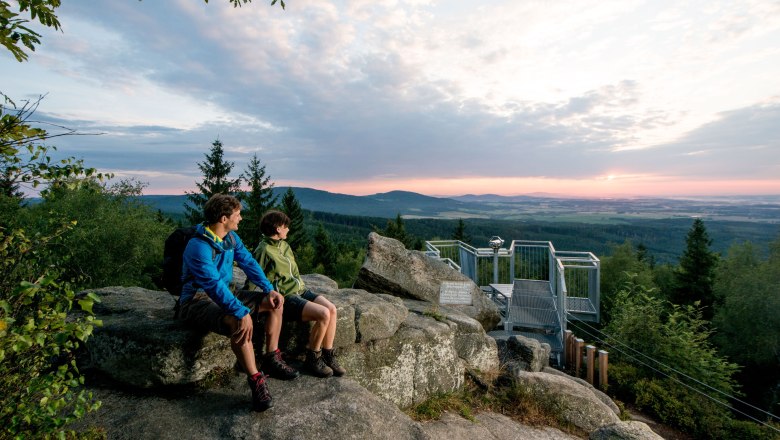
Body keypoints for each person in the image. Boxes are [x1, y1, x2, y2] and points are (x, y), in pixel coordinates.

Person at [178, 194, 299, 412]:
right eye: (237, 215)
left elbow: (249, 263)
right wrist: (241, 311)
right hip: (197, 300)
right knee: (237, 320)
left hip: (227, 292)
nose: (241, 218)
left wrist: (269, 289)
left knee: (275, 302)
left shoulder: (231, 238)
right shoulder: (198, 246)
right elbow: (212, 285)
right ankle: (256, 380)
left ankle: (272, 356)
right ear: (224, 219)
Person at [248, 210, 346, 378]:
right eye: (286, 226)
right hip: (286, 296)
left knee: (332, 309)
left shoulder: (285, 245)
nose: (288, 229)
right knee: (323, 314)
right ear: (278, 228)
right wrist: (246, 303)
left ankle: (328, 355)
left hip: (300, 289)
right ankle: (313, 357)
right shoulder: (263, 249)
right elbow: (253, 274)